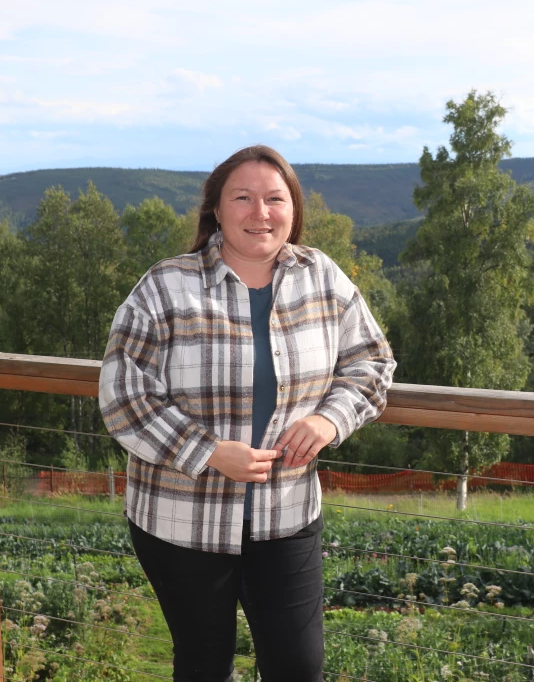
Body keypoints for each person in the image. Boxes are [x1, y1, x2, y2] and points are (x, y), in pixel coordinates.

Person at [99, 145, 396, 682]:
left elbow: (372, 362)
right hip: (181, 518)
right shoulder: (165, 287)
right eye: (243, 198)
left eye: (274, 199)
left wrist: (331, 419)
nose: (261, 212)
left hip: (287, 513)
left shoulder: (322, 277)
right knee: (205, 664)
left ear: (293, 209)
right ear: (216, 208)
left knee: (298, 667)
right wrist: (209, 453)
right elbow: (124, 397)